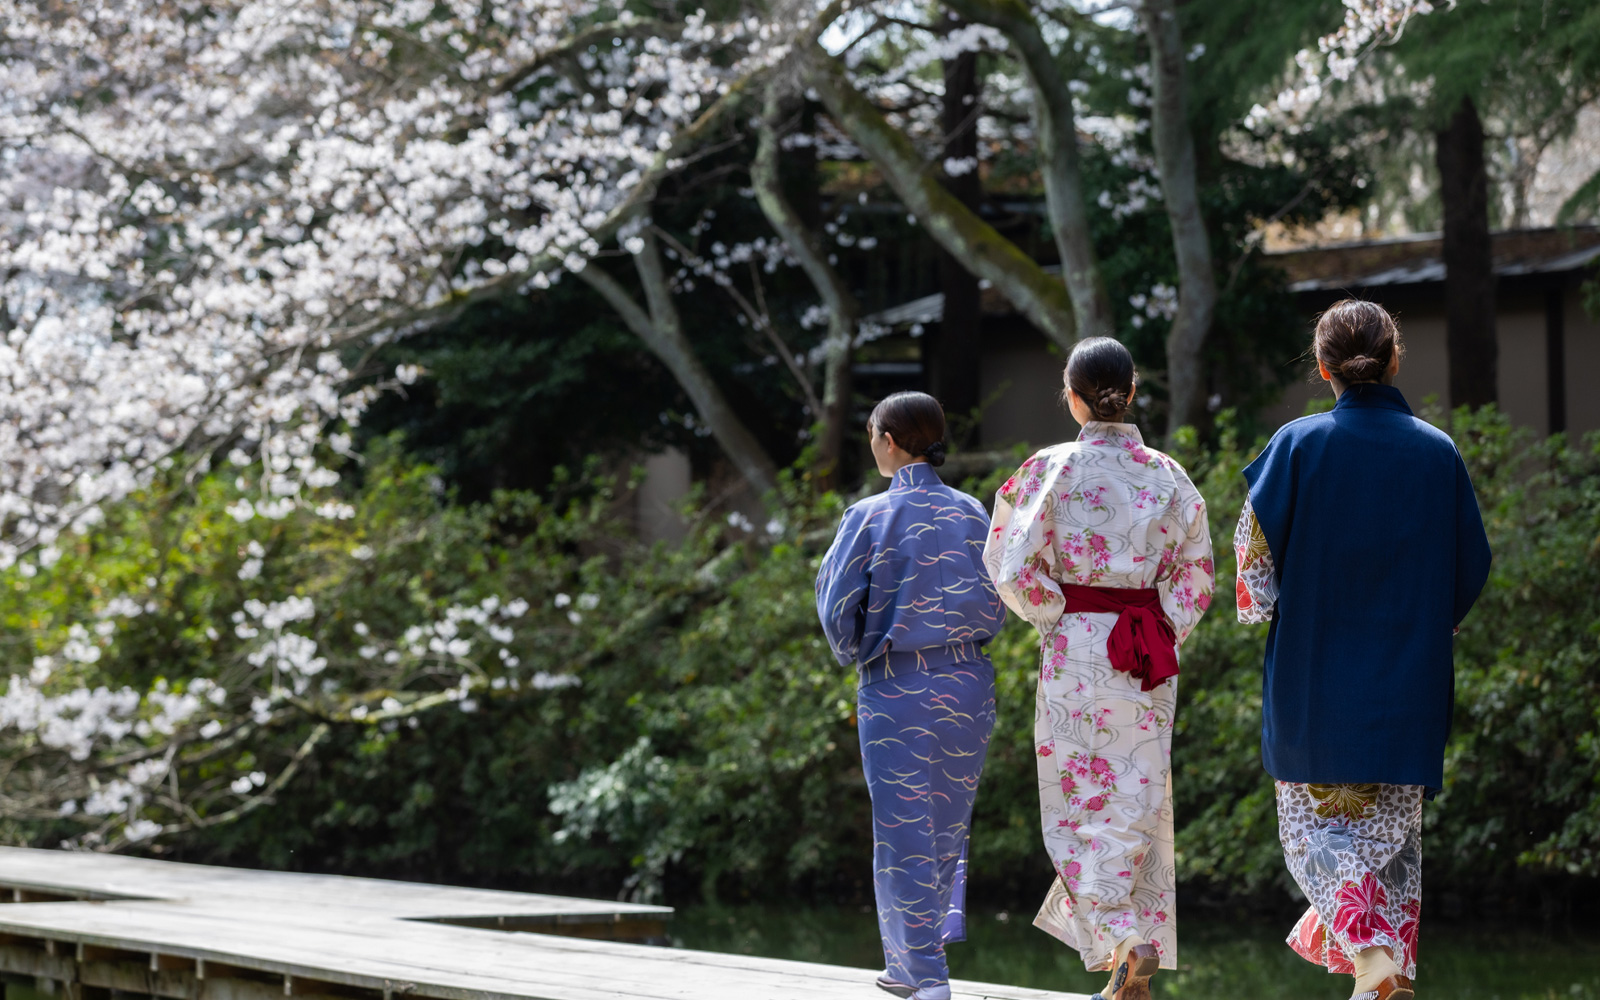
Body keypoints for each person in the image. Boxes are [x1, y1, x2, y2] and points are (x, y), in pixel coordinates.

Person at [1234, 299, 1492, 1000]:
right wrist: (1427, 624)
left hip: (1314, 685)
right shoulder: (1437, 452)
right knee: (1395, 852)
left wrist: (1275, 605)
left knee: (1314, 840)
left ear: (1323, 369)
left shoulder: (1295, 446)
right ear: (1394, 360)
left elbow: (1253, 582)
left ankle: (1373, 959)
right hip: (1407, 684)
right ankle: (1385, 977)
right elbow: (1471, 566)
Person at [984, 338, 1214, 1000]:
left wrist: (1053, 611)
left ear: (1072, 393)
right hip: (1147, 646)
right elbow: (1196, 577)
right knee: (1138, 799)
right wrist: (1163, 621)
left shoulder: (1047, 470)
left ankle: (1123, 938)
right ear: (1133, 391)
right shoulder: (1169, 475)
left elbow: (1008, 564)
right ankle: (1128, 967)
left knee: (1078, 804)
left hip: (1077, 644)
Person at [815, 391, 1006, 1000]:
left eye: (872, 434)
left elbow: (836, 609)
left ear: (889, 441)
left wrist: (858, 649)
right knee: (946, 824)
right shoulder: (974, 511)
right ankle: (917, 962)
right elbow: (1003, 595)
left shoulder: (868, 516)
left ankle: (922, 976)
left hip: (898, 683)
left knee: (903, 829)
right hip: (968, 682)